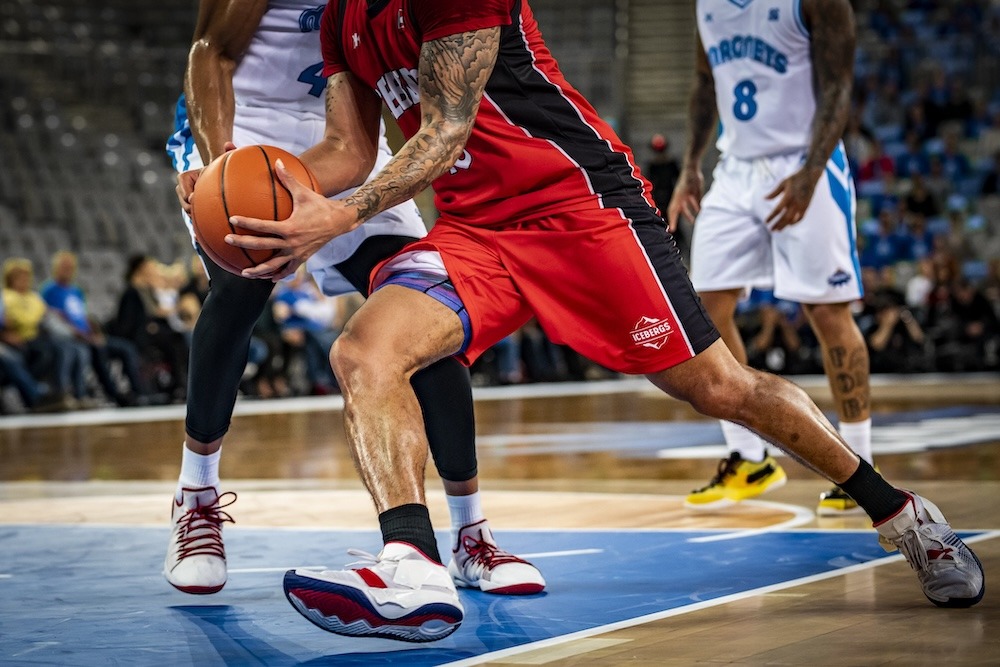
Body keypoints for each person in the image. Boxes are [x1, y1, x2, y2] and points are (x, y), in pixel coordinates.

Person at [225, 0, 984, 641]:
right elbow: (346, 149)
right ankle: (412, 564)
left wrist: (337, 218)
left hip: (577, 207)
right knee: (365, 351)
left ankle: (904, 515)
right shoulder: (341, 17)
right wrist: (251, 190)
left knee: (720, 387)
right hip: (473, 230)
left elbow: (444, 130)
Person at [161, 0, 542, 599]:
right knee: (241, 284)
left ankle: (471, 535)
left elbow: (371, 121)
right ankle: (197, 497)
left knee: (421, 300)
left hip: (343, 135)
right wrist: (220, 167)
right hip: (243, 129)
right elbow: (214, 53)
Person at [668, 0, 877, 516]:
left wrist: (810, 172)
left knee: (827, 313)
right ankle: (748, 457)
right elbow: (704, 84)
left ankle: (862, 466)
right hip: (734, 169)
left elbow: (839, 86)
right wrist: (691, 163)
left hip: (804, 162)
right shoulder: (708, 7)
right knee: (702, 311)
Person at [40, 251, 147, 407]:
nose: (68, 271)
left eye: (70, 267)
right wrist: (83, 336)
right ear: (56, 268)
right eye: (64, 267)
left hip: (87, 335)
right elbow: (56, 320)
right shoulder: (49, 291)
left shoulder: (76, 290)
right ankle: (111, 393)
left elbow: (83, 316)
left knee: (126, 348)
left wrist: (95, 332)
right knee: (97, 350)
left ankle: (139, 392)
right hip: (72, 337)